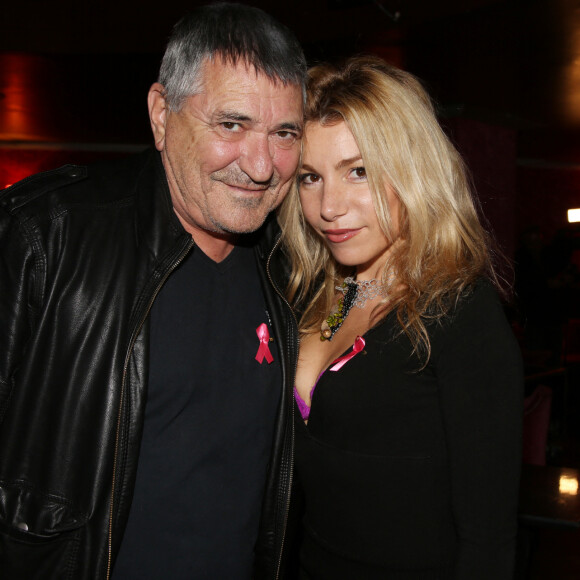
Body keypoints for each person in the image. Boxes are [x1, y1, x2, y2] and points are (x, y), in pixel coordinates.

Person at [0, 4, 305, 579]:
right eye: (232, 124)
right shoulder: (47, 236)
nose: (262, 166)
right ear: (162, 114)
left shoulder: (290, 271)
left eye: (284, 133)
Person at [278, 55, 523, 579]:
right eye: (309, 177)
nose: (329, 206)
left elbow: (489, 540)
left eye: (358, 171)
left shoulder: (460, 312)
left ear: (412, 172)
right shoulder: (317, 296)